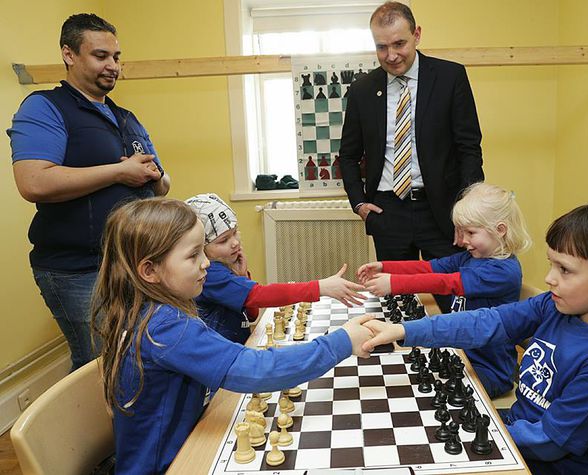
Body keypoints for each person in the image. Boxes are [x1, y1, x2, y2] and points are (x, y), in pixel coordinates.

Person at [362, 198, 588, 475]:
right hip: (516, 432)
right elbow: (486, 322)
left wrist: (472, 427)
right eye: (553, 264)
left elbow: (549, 441)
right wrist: (404, 331)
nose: (549, 278)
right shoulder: (554, 307)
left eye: (565, 270)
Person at [90, 198, 373, 474]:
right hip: (167, 465)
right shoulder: (166, 328)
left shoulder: (141, 311)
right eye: (192, 255)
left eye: (203, 251)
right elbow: (258, 370)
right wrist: (342, 340)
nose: (205, 264)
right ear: (149, 270)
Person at [7, 13, 170, 371]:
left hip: (129, 264)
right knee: (98, 367)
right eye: (100, 56)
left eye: (116, 57)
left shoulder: (125, 117)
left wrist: (155, 178)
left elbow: (161, 181)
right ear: (69, 54)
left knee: (134, 360)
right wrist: (121, 171)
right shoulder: (44, 107)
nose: (112, 66)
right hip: (80, 270)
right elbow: (33, 182)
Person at [339, 1, 484, 311]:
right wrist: (360, 203)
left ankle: (458, 358)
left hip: (442, 211)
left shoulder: (450, 77)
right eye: (382, 47)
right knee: (396, 303)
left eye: (399, 43)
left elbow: (469, 148)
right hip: (387, 212)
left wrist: (468, 211)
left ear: (417, 34)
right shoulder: (363, 90)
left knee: (454, 298)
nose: (391, 55)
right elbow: (348, 156)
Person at [357, 182, 531, 397]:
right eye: (461, 232)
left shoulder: (503, 271)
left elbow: (446, 283)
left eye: (471, 232)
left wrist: (393, 283)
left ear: (500, 230)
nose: (462, 241)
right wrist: (386, 266)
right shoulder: (471, 256)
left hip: (488, 370)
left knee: (422, 395)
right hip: (460, 354)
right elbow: (428, 267)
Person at [186, 193, 365, 344]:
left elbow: (252, 315)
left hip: (236, 345)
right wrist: (320, 287)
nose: (235, 242)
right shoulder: (210, 274)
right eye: (223, 240)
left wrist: (242, 277)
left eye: (235, 232)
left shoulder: (224, 267)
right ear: (200, 247)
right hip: (222, 355)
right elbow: (259, 296)